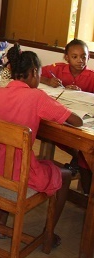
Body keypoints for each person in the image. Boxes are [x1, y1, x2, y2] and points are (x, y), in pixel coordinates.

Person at [0, 44, 83, 245]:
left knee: (24, 158)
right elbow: (75, 121)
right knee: (65, 173)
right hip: (21, 172)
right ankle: (48, 234)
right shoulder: (37, 97)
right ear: (34, 72)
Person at [39, 39, 93, 192]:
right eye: (75, 57)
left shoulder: (91, 76)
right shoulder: (58, 69)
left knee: (85, 146)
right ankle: (79, 158)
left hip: (82, 120)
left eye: (84, 56)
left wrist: (82, 94)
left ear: (89, 57)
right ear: (67, 57)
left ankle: (86, 191)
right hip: (61, 116)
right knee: (57, 135)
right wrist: (49, 81)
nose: (80, 61)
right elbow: (35, 73)